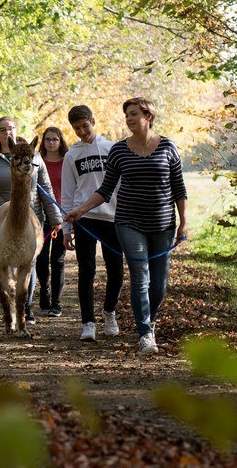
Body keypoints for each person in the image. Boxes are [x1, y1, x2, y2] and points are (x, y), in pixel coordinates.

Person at [63, 97, 187, 355]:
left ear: (148, 116)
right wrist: (79, 211)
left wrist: (183, 223)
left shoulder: (167, 147)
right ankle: (145, 334)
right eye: (127, 115)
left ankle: (145, 319)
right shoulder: (119, 151)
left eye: (133, 114)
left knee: (158, 284)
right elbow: (105, 189)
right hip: (128, 221)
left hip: (162, 223)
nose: (129, 119)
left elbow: (179, 188)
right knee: (139, 279)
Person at [0, 116, 64, 325]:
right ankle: (8, 310)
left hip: (32, 215)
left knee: (28, 262)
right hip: (0, 218)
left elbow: (46, 189)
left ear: (16, 130)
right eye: (2, 130)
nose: (7, 133)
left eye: (11, 128)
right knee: (4, 264)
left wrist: (56, 219)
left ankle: (26, 307)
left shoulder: (35, 157)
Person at [60, 106, 124, 342]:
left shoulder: (113, 148)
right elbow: (67, 194)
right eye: (76, 128)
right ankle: (88, 322)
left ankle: (110, 313)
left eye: (85, 126)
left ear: (93, 121)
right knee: (86, 270)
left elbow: (123, 185)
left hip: (112, 217)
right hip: (83, 218)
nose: (81, 131)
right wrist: (67, 228)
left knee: (115, 269)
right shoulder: (71, 155)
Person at [35, 126, 69, 317]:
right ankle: (44, 290)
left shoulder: (67, 162)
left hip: (62, 216)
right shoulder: (38, 161)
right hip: (41, 216)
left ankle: (56, 302)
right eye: (48, 139)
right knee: (40, 258)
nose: (51, 142)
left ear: (60, 141)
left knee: (58, 259)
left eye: (55, 139)